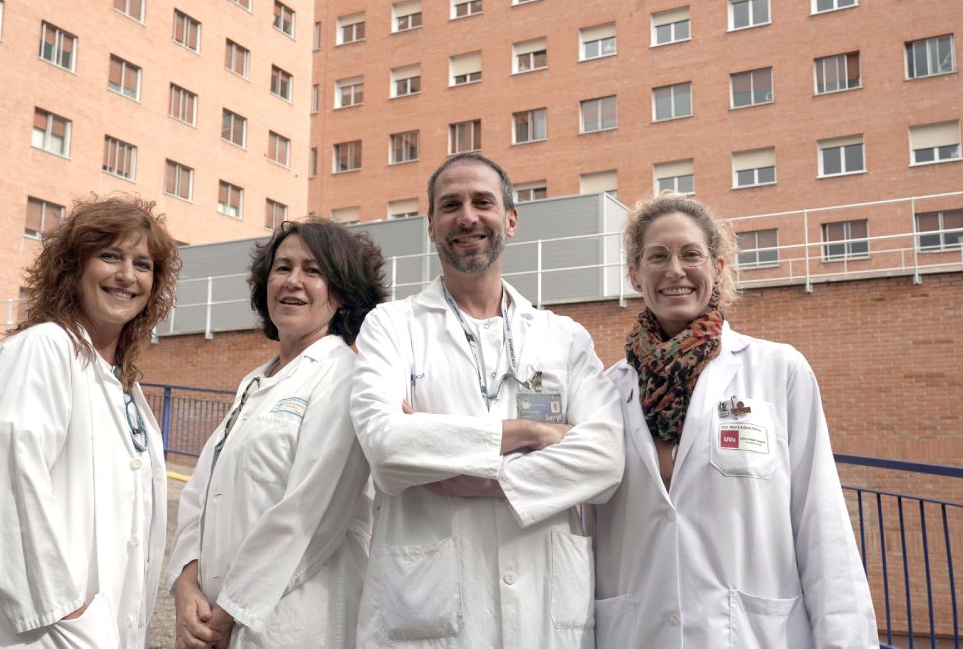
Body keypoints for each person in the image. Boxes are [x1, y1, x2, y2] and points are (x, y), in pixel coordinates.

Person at [351, 152, 625, 648]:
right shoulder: (392, 325)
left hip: (545, 610)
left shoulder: (563, 337)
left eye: (483, 202)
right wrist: (531, 433)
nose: (467, 217)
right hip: (427, 612)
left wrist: (480, 476)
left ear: (511, 220)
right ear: (430, 225)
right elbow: (387, 448)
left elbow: (605, 459)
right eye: (450, 205)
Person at [592, 193, 878, 648]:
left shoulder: (777, 370)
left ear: (718, 268)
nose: (675, 270)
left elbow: (820, 519)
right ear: (634, 273)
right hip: (636, 632)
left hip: (751, 634)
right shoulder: (605, 391)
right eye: (657, 256)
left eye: (691, 254)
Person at [0, 196, 180, 648]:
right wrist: (66, 612)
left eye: (142, 264)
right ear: (72, 269)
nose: (127, 275)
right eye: (110, 256)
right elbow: (13, 483)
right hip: (47, 630)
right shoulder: (42, 347)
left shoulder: (123, 384)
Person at [167, 219, 387, 649]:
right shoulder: (255, 381)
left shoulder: (345, 376)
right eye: (282, 267)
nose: (292, 281)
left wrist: (228, 612)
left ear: (342, 293)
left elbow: (310, 511)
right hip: (217, 615)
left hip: (295, 624)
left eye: (313, 271)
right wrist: (187, 583)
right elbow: (201, 493)